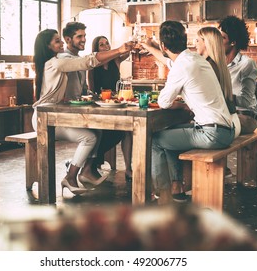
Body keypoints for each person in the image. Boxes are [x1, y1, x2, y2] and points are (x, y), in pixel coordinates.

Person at [141, 21, 235, 204]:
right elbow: (170, 61)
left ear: (163, 45)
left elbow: (163, 102)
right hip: (226, 129)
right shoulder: (195, 59)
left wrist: (182, 106)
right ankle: (177, 187)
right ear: (185, 40)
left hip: (212, 134)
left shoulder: (182, 66)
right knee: (169, 132)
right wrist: (151, 47)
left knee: (154, 140)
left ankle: (163, 192)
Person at [32, 28, 132, 195]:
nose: (61, 43)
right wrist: (120, 50)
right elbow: (88, 62)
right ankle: (70, 177)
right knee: (89, 137)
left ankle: (86, 171)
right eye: (57, 41)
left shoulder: (58, 61)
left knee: (97, 131)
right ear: (48, 46)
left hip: (57, 116)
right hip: (45, 119)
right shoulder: (57, 62)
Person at [88, 36, 133, 182]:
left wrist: (131, 45)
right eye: (101, 45)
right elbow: (91, 89)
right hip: (100, 106)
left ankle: (128, 168)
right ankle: (91, 161)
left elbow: (127, 52)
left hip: (117, 103)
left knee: (127, 131)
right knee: (104, 133)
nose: (105, 46)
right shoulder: (93, 65)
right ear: (96, 49)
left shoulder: (116, 60)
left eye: (107, 43)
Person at [195, 26, 241, 139]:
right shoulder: (217, 64)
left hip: (223, 126)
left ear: (206, 43)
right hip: (232, 122)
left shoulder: (207, 66)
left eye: (197, 40)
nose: (194, 44)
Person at [218, 15, 257, 134]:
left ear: (233, 42)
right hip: (228, 115)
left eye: (223, 38)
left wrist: (222, 97)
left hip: (246, 118)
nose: (218, 42)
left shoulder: (247, 64)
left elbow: (246, 101)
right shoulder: (219, 64)